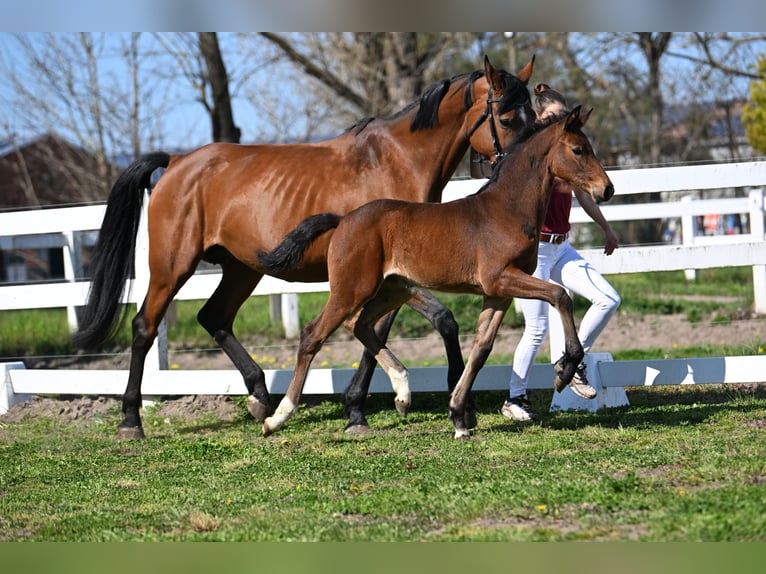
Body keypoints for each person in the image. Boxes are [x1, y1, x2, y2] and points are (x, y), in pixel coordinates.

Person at [501, 83, 621, 422]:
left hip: (562, 246)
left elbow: (583, 195)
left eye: (563, 117)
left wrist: (606, 228)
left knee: (608, 299)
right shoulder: (535, 157)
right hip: (535, 250)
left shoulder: (566, 156)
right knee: (536, 328)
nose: (560, 123)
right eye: (553, 117)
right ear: (539, 118)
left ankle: (572, 359)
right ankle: (514, 397)